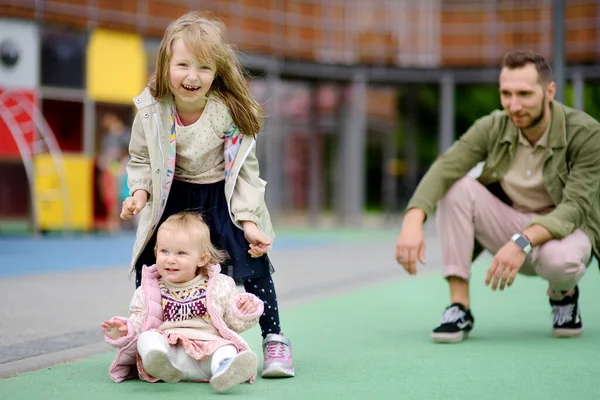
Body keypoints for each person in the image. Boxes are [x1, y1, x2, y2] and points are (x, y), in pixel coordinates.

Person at [119, 11, 294, 377]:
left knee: (253, 262)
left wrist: (249, 222)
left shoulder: (226, 113)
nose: (192, 76)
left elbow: (245, 172)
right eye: (183, 65)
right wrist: (140, 193)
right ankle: (148, 340)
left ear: (216, 73)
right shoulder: (151, 109)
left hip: (221, 196)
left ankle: (274, 340)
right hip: (173, 197)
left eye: (203, 68)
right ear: (167, 63)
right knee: (154, 265)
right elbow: (140, 157)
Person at [395, 50, 600, 343]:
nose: (513, 105)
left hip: (563, 231)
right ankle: (459, 307)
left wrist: (522, 241)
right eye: (506, 93)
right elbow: (445, 167)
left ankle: (563, 294)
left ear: (550, 91)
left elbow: (575, 207)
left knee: (561, 261)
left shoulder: (587, 134)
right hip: (510, 222)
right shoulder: (493, 125)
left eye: (524, 94)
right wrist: (413, 219)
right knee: (456, 187)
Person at [101, 212, 263, 392]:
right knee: (147, 338)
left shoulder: (219, 286)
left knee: (227, 348)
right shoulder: (149, 289)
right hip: (171, 353)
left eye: (181, 253)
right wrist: (126, 329)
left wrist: (244, 310)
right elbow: (140, 319)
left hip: (207, 351)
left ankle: (224, 369)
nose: (170, 259)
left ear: (202, 259)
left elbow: (233, 323)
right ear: (156, 252)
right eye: (164, 251)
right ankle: (158, 362)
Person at [98, 112, 131, 232]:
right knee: (110, 196)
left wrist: (121, 162)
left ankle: (121, 221)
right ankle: (114, 221)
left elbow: (129, 150)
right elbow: (105, 154)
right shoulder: (107, 137)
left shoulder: (125, 134)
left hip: (121, 166)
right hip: (110, 167)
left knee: (121, 194)